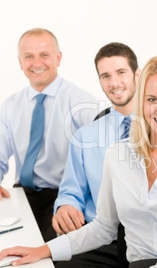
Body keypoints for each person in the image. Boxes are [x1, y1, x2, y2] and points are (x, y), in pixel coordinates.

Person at [0, 56, 157, 268]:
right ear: (141, 102)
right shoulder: (118, 154)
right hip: (136, 263)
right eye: (152, 99)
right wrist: (44, 250)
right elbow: (104, 227)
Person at [0, 28, 98, 242]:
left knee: (46, 252)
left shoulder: (81, 102)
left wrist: (75, 199)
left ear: (58, 58)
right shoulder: (10, 106)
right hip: (20, 193)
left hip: (62, 197)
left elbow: (104, 150)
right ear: (20, 62)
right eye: (29, 56)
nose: (37, 63)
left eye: (44, 55)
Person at [51, 42, 141, 268]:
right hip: (102, 240)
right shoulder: (84, 137)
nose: (114, 83)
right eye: (105, 76)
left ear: (137, 74)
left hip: (149, 240)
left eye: (121, 72)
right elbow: (71, 191)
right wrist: (65, 206)